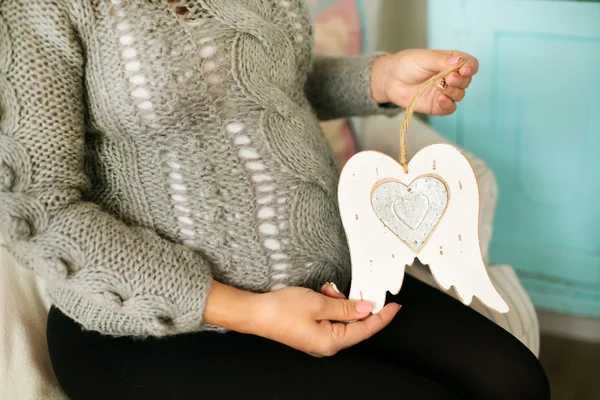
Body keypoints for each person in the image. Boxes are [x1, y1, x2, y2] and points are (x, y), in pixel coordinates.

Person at [0, 1, 550, 399]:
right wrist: (252, 312)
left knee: (516, 382)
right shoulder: (41, 12)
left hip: (328, 281)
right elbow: (40, 209)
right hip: (155, 327)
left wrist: (380, 78)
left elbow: (260, 82)